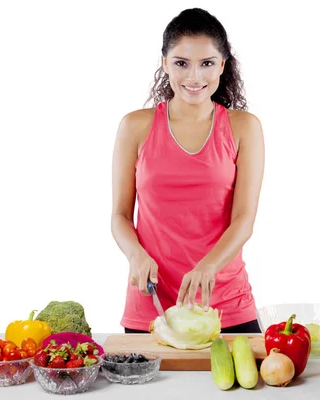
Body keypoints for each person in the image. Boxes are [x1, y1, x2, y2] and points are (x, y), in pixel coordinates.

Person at [111, 8, 265, 334]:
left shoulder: (244, 128)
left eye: (207, 63)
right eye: (181, 63)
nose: (194, 77)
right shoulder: (135, 126)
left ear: (222, 65)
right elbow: (120, 217)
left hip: (226, 305)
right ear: (165, 63)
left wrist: (209, 267)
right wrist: (135, 255)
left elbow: (244, 220)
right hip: (152, 306)